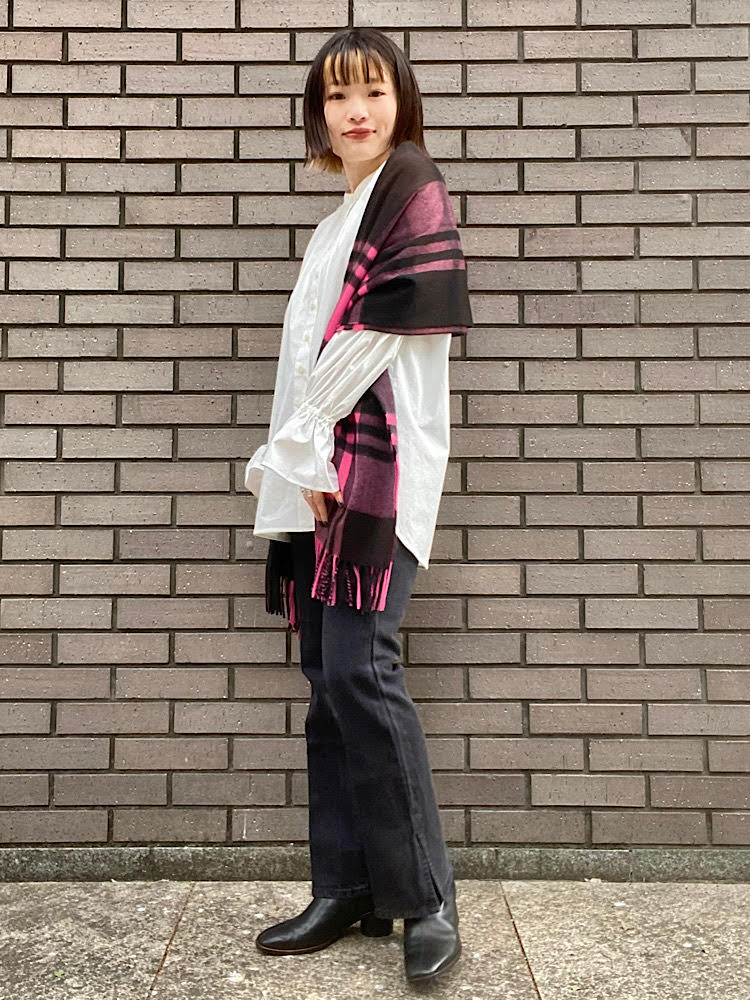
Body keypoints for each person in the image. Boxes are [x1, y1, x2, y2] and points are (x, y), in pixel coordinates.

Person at [244, 26, 471, 984]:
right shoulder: (335, 223)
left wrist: (300, 438)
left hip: (377, 476)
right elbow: (303, 360)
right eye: (338, 96)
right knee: (327, 681)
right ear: (319, 115)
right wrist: (296, 458)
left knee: (362, 671)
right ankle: (346, 887)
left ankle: (425, 897)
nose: (356, 111)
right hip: (319, 485)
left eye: (373, 90)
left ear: (401, 100)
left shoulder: (412, 189)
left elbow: (377, 336)